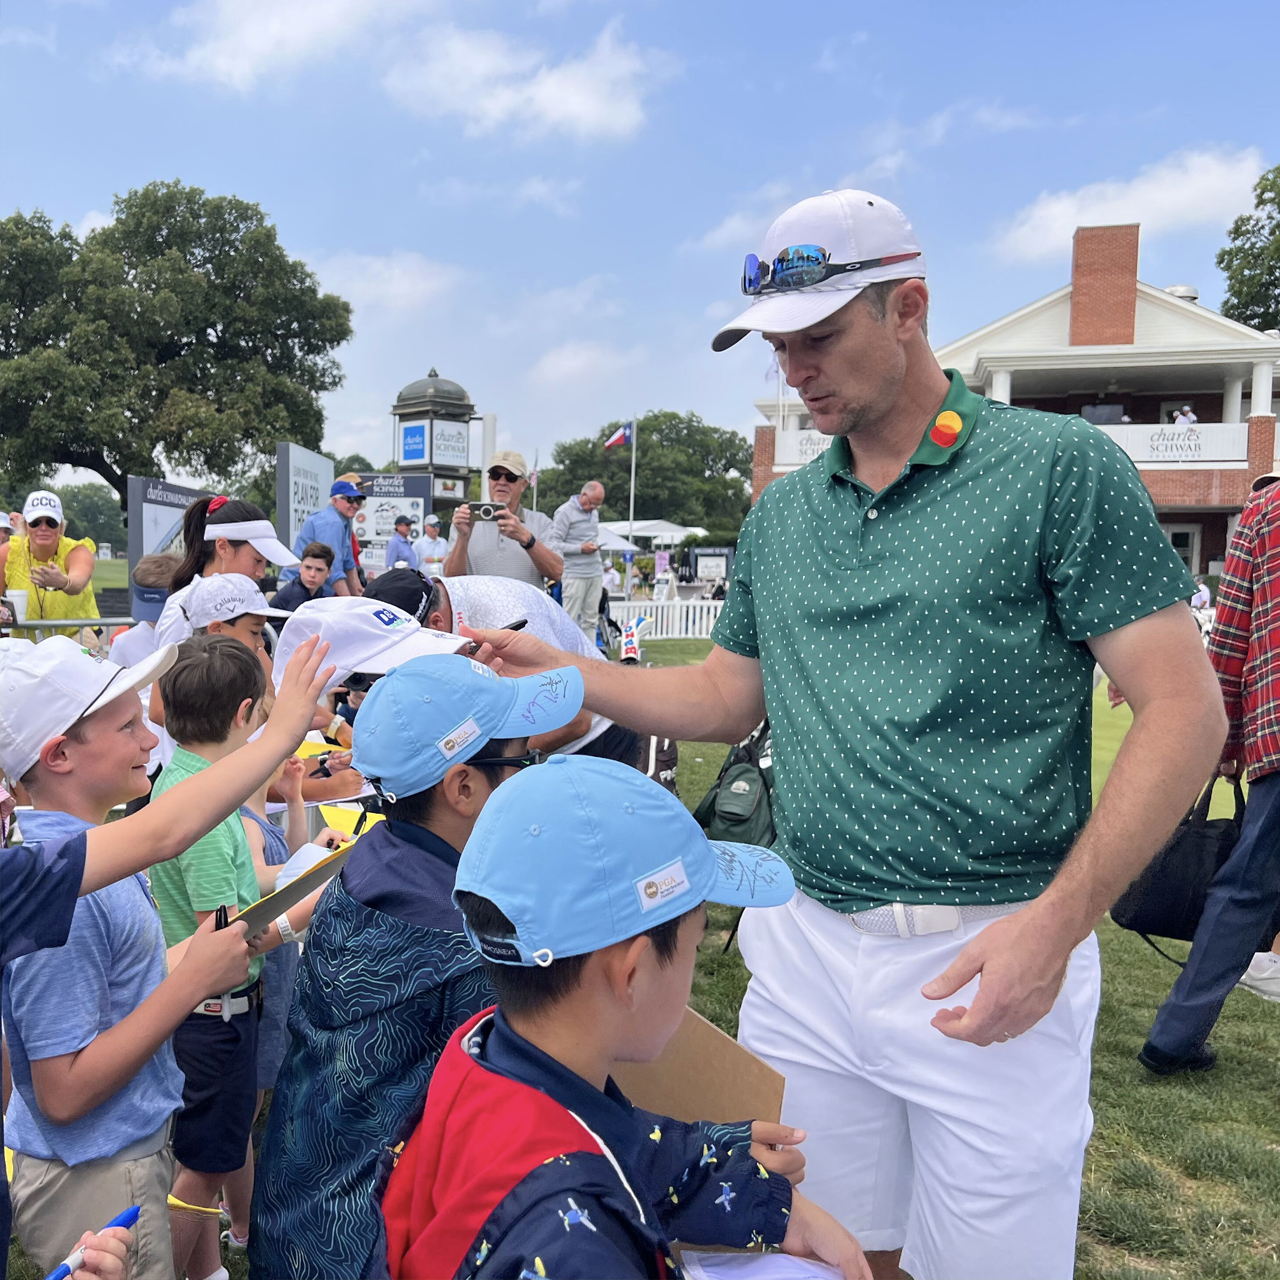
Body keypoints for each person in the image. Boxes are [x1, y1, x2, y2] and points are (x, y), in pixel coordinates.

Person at [464, 189, 1227, 1278]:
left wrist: (1056, 925)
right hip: (807, 943)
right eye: (777, 346)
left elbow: (1182, 708)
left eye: (817, 336)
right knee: (814, 1247)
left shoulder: (1055, 469)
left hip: (989, 945)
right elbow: (729, 695)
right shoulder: (780, 511)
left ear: (906, 306)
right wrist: (574, 671)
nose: (794, 370)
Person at [383, 755, 871, 1279]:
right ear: (633, 974)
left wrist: (761, 1198)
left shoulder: (483, 1054)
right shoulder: (575, 1251)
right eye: (697, 940)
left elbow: (617, 1144)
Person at [0, 630, 336, 1271]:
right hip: (96, 1174)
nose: (152, 740)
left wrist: (225, 947)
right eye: (128, 726)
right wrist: (192, 983)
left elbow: (142, 967)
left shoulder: (78, 851)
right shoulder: (63, 894)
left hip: (116, 1155)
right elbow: (62, 1092)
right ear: (61, 754)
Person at [250, 653, 586, 1280]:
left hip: (298, 1218)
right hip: (378, 1246)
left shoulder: (376, 855)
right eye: (522, 764)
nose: (533, 779)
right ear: (463, 788)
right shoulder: (468, 947)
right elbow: (534, 1109)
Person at [148, 636, 327, 1280]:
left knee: (210, 1155)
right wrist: (300, 913)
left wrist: (299, 873)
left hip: (211, 1015)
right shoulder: (208, 807)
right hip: (211, 1017)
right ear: (246, 714)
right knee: (200, 1170)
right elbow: (221, 937)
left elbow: (231, 898)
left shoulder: (190, 782)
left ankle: (204, 1268)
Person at [1140, 473, 1280, 1062]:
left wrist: (1224, 743)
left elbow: (1230, 637)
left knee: (1245, 888)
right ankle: (1174, 1039)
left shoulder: (1266, 509)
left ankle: (1175, 1037)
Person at [421, 571, 646, 766]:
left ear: (437, 623)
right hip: (558, 742)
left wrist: (496, 763)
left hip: (602, 735)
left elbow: (575, 720)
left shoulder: (509, 615)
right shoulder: (443, 598)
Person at [155, 496, 299, 650]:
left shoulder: (247, 601)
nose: (261, 573)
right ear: (223, 547)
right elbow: (172, 673)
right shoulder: (182, 608)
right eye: (257, 560)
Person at [111, 554, 181, 815]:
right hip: (144, 750)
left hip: (180, 744)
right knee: (140, 812)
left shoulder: (188, 636)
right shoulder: (124, 643)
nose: (154, 619)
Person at [443, 451, 563, 588]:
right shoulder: (466, 521)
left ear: (523, 484)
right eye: (495, 475)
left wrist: (526, 538)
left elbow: (557, 573)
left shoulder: (541, 522)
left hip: (526, 608)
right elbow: (450, 580)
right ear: (489, 480)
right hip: (480, 609)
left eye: (511, 477)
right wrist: (463, 538)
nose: (501, 482)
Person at [0, 491, 98, 637]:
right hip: (25, 642)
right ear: (26, 526)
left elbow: (78, 583)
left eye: (51, 522)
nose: (43, 528)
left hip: (74, 639)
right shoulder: (9, 552)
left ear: (61, 527)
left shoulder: (77, 550)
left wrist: (64, 583)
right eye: (35, 522)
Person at [279, 480, 364, 597]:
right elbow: (333, 569)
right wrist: (350, 603)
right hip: (296, 586)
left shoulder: (345, 520)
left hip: (312, 588)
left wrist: (359, 597)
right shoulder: (332, 522)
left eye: (358, 501)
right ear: (335, 500)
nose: (355, 505)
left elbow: (348, 563)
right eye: (350, 499)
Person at [552, 481, 606, 636]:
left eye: (597, 506)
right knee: (570, 619)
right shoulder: (564, 512)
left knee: (591, 620)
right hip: (574, 573)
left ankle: (589, 657)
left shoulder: (594, 512)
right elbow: (554, 544)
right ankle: (568, 655)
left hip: (594, 571)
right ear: (583, 496)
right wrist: (580, 549)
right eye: (592, 504)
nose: (594, 508)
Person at [270, 542, 335, 612]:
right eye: (308, 567)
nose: (312, 574)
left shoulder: (320, 591)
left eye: (319, 570)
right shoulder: (296, 594)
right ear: (300, 568)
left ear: (328, 573)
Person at [412, 514, 447, 578]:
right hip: (425, 581)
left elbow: (448, 560)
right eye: (432, 525)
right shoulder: (418, 544)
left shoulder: (444, 542)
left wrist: (434, 559)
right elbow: (413, 566)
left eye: (438, 525)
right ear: (425, 527)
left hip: (442, 579)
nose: (436, 528)